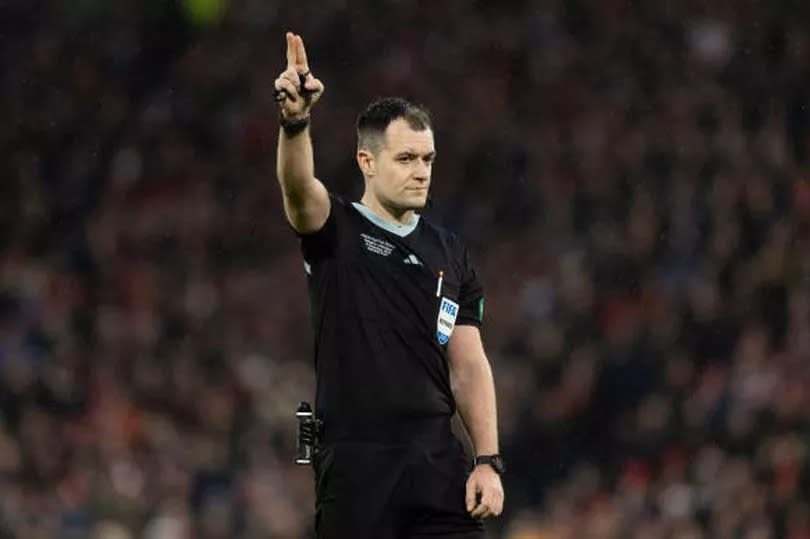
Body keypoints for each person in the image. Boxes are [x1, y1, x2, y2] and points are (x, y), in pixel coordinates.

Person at [274, 32, 504, 538]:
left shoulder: (451, 252)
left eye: (427, 159)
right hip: (358, 467)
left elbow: (467, 364)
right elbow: (297, 188)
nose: (421, 172)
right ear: (367, 162)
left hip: (436, 459)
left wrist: (488, 459)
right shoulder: (335, 229)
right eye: (406, 159)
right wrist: (295, 124)